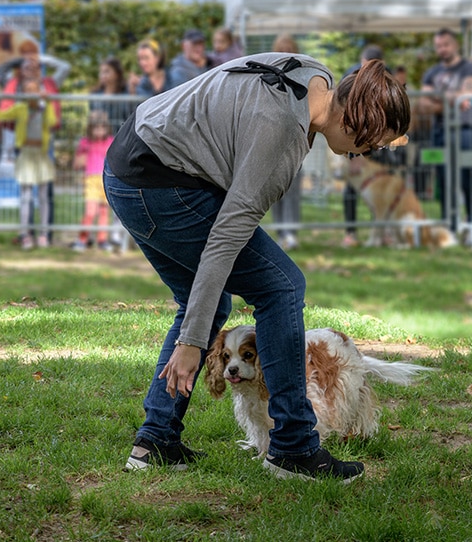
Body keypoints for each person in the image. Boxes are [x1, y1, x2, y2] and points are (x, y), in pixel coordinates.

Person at [106, 51, 410, 481]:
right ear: (362, 119)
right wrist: (194, 341)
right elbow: (225, 239)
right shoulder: (283, 133)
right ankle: (292, 447)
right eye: (375, 141)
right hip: (158, 182)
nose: (369, 152)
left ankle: (155, 440)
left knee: (210, 304)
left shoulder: (314, 77)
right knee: (282, 287)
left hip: (133, 162)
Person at [419, 29, 472, 237]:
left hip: (465, 130)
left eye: (445, 44)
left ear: (455, 45)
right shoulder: (431, 72)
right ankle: (450, 224)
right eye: (438, 46)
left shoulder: (469, 67)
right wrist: (451, 100)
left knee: (467, 178)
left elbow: (467, 96)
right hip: (439, 131)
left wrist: (439, 98)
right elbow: (424, 104)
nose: (442, 49)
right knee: (443, 179)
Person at [0, 75, 57, 249]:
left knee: (43, 196)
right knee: (25, 196)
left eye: (34, 90)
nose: (31, 94)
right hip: (26, 153)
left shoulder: (44, 109)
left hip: (41, 154)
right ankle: (25, 234)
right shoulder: (20, 108)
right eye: (27, 91)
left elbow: (52, 122)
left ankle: (44, 234)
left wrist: (48, 103)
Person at [341, 44, 384, 247]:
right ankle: (350, 233)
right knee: (352, 187)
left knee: (380, 187)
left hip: (378, 141)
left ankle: (380, 232)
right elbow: (344, 117)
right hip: (354, 140)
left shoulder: (387, 77)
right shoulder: (351, 78)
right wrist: (353, 153)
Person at [269, 34, 303, 250]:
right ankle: (281, 231)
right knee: (274, 191)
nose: (284, 54)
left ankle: (290, 232)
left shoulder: (301, 77)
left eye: (288, 49)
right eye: (280, 50)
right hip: (271, 142)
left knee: (292, 188)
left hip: (294, 141)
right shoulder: (267, 75)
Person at [72, 110, 114, 252]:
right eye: (96, 127)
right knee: (90, 211)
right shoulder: (85, 142)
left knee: (103, 211)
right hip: (91, 180)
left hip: (106, 180)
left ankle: (102, 240)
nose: (99, 131)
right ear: (91, 128)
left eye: (102, 127)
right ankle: (82, 239)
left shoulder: (110, 141)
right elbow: (77, 162)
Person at [89, 56, 134, 133]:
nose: (103, 75)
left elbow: (130, 115)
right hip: (102, 138)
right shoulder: (96, 94)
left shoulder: (126, 92)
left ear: (117, 74)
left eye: (106, 71)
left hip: (121, 136)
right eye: (101, 72)